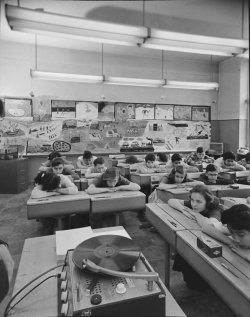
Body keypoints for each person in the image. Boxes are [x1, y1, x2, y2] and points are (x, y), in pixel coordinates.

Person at [168, 184, 223, 290]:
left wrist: (195, 214)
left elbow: (210, 225)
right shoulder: (196, 203)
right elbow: (171, 201)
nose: (194, 204)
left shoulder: (215, 209)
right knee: (185, 244)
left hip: (215, 244)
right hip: (198, 236)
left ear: (207, 202)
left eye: (198, 202)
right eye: (192, 200)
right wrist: (183, 209)